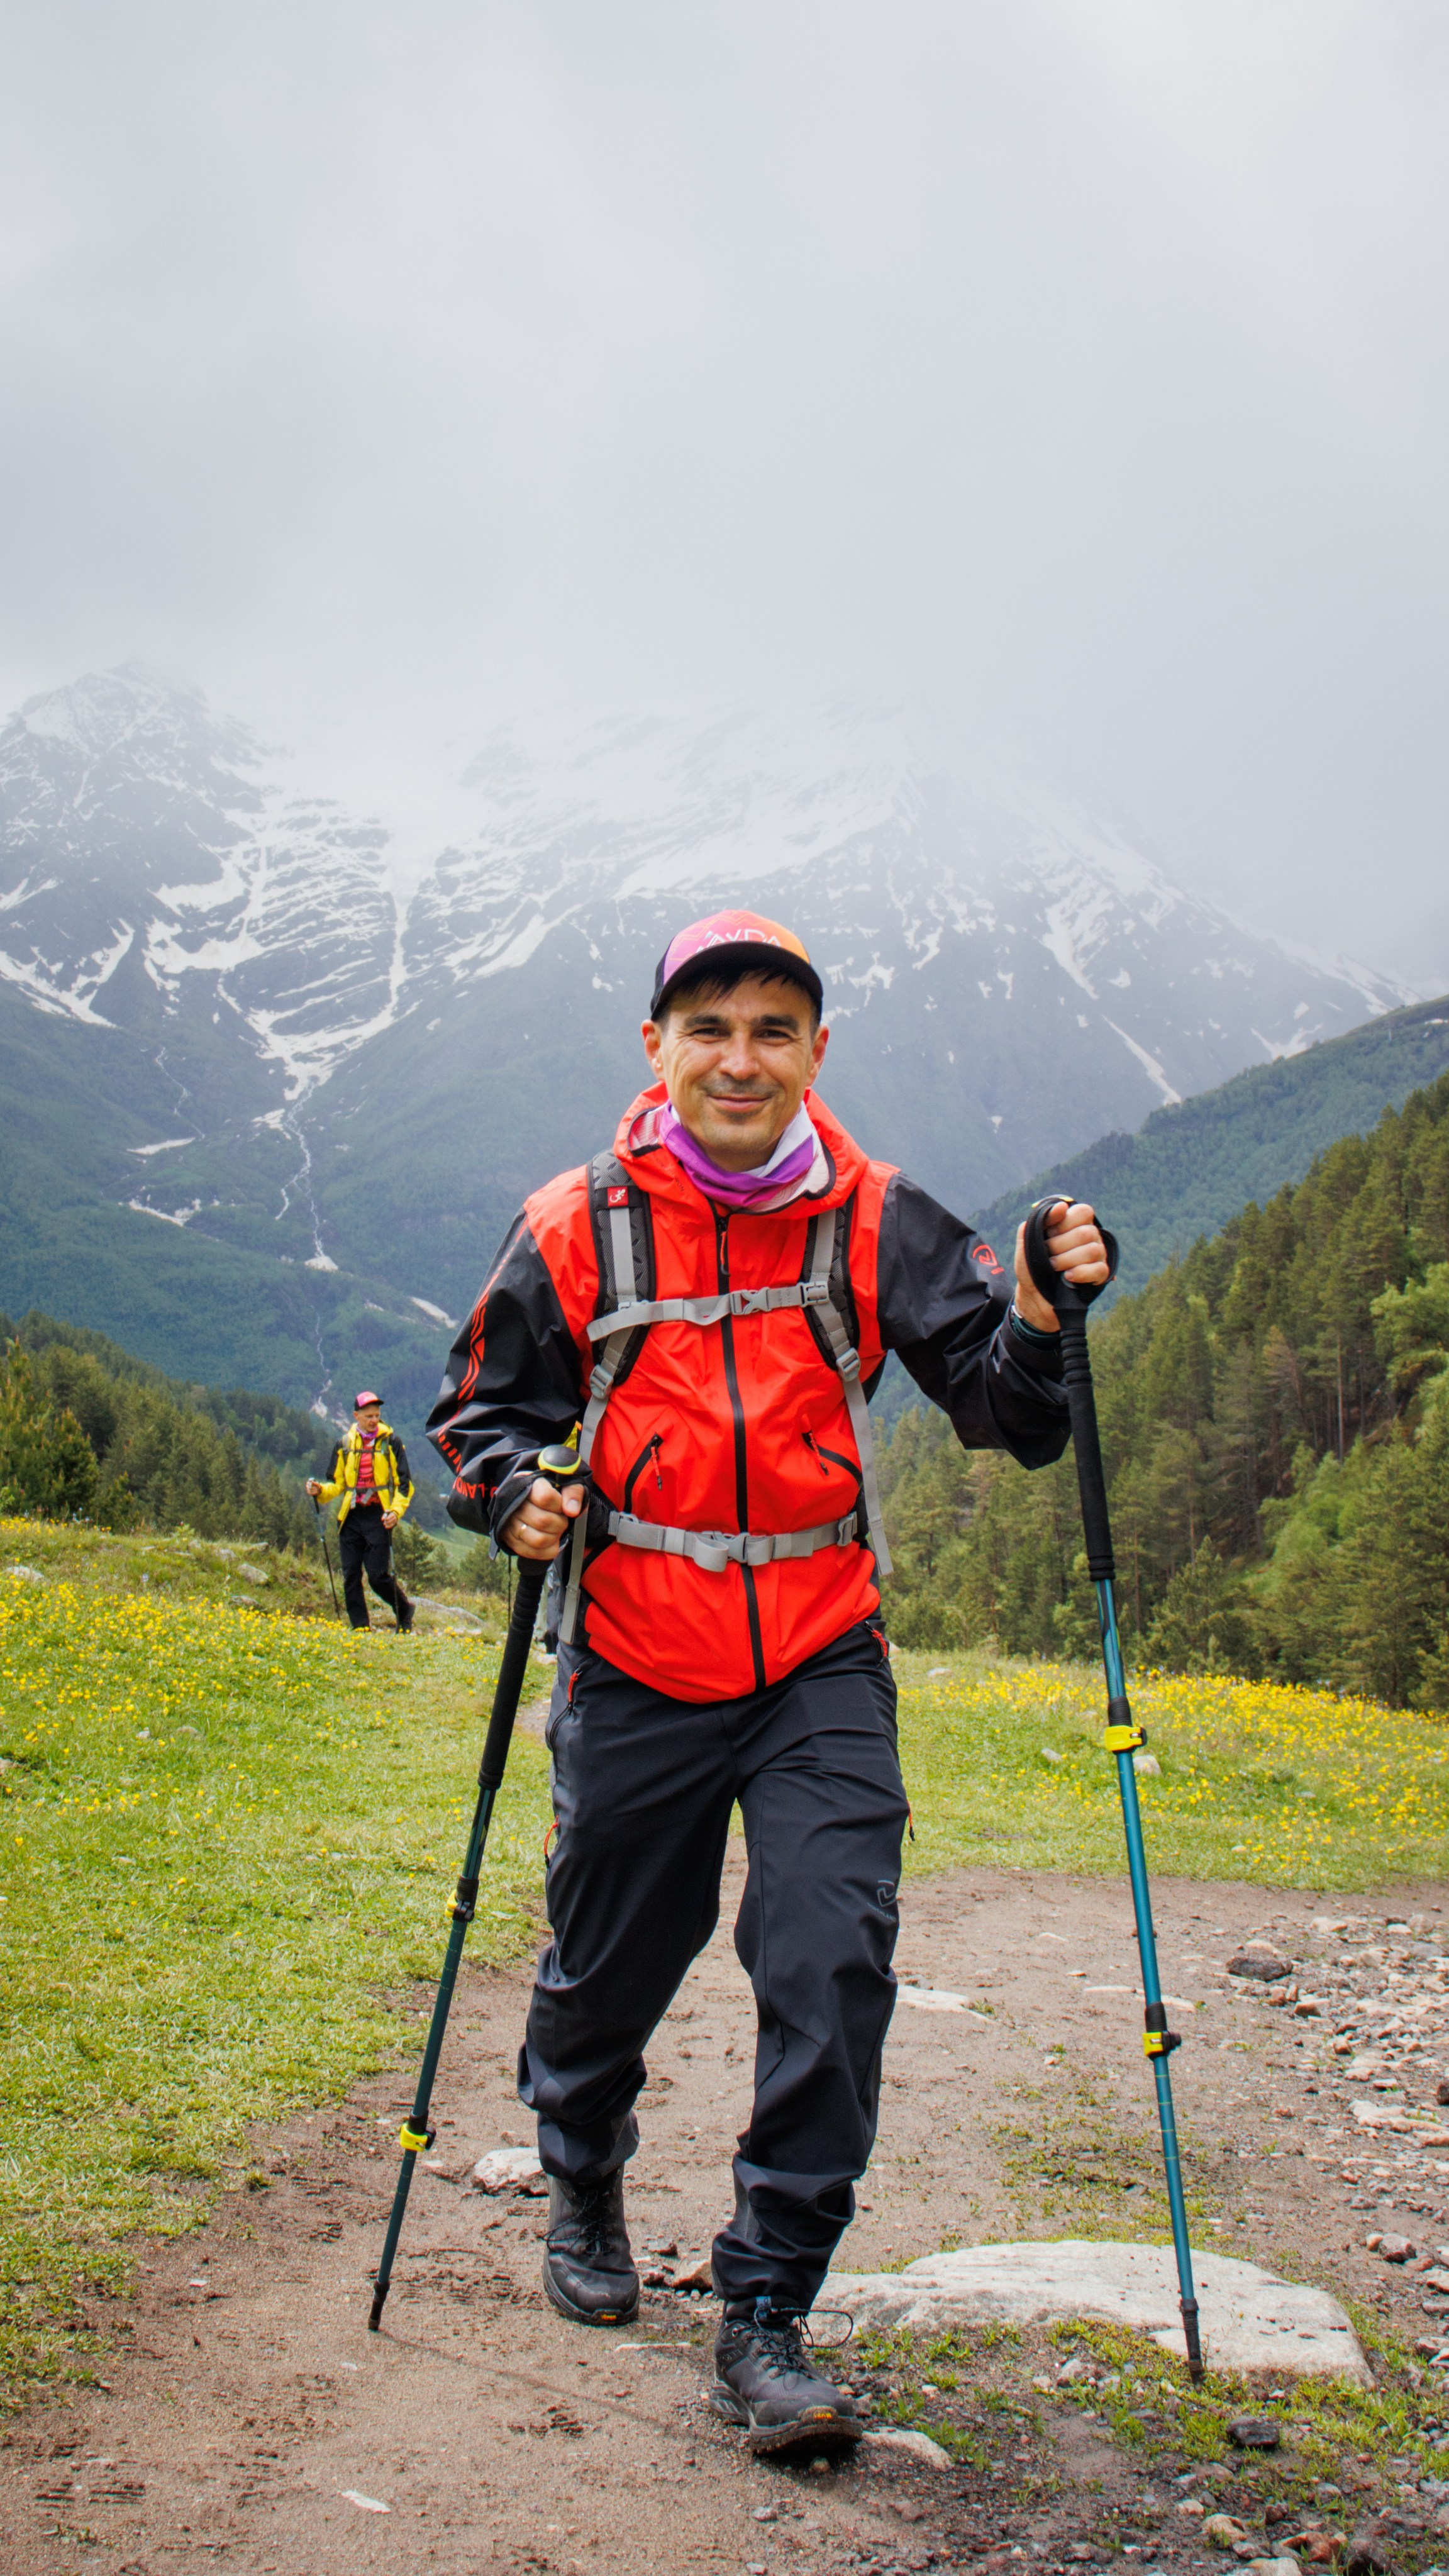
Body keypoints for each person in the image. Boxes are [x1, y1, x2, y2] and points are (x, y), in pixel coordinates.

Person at [428, 908, 1108, 2453]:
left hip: (818, 1655)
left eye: (774, 1030)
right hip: (635, 1656)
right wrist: (514, 1493)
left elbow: (1004, 1410)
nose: (741, 1059)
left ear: (816, 1053)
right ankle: (582, 2161)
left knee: (832, 1955)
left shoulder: (871, 1215)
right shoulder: (569, 1225)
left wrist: (1047, 1309)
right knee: (612, 1959)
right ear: (656, 1047)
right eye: (710, 1027)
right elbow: (480, 1412)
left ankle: (767, 2307)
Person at [307, 1391, 416, 1633]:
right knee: (351, 1575)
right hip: (351, 1516)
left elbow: (405, 1486)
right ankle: (360, 1627)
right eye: (369, 1416)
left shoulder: (392, 1443)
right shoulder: (344, 1445)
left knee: (377, 1576)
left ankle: (404, 1610)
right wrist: (319, 1491)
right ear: (356, 1416)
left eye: (377, 1416)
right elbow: (336, 1484)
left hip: (379, 1515)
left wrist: (395, 1513)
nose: (374, 1420)